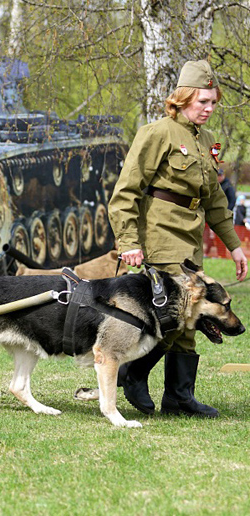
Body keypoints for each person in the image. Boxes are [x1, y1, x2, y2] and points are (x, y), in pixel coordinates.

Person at [108, 59, 247, 418]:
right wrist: (128, 242)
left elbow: (215, 200)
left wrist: (234, 246)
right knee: (175, 314)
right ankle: (133, 374)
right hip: (158, 235)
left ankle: (179, 396)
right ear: (182, 98)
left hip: (189, 239)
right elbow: (126, 192)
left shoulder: (204, 140)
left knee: (189, 316)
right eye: (203, 102)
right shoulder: (157, 133)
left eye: (214, 102)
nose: (209, 109)